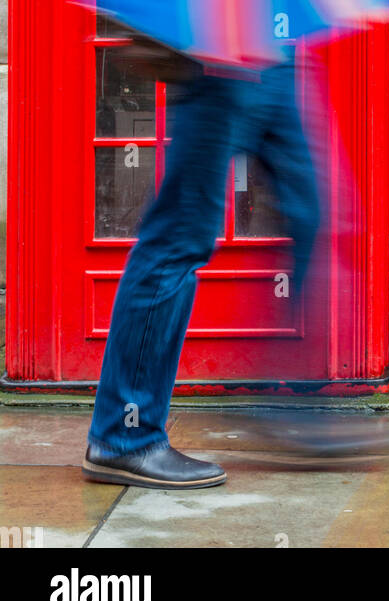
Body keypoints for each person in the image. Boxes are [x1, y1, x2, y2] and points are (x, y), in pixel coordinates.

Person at [82, 45, 320, 490]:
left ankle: (299, 404)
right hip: (217, 60)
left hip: (272, 60)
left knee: (313, 214)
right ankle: (124, 436)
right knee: (179, 236)